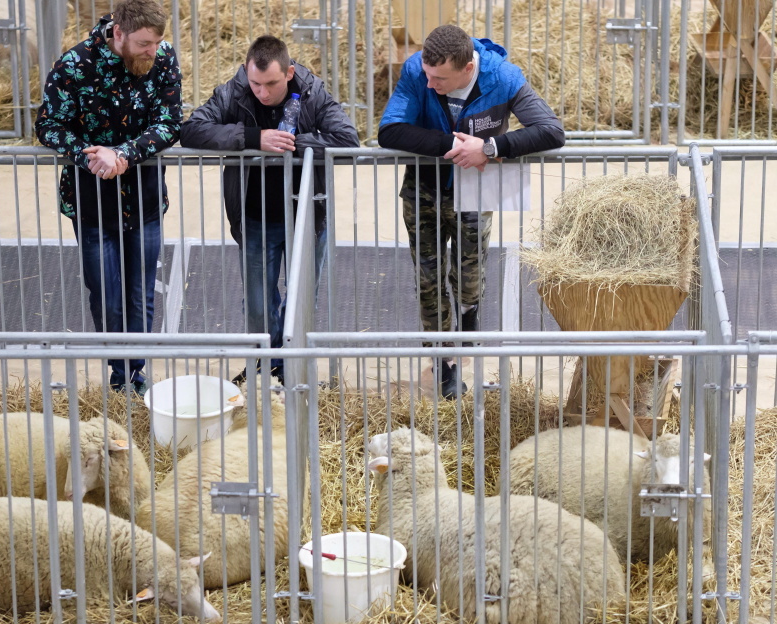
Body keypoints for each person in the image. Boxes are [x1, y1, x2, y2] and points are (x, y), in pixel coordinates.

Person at [378, 24, 564, 398]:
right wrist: (455, 145)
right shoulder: (417, 70)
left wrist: (491, 148)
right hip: (424, 190)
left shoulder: (504, 77)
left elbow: (551, 131)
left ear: (467, 68)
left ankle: (468, 312)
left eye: (440, 78)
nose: (431, 85)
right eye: (428, 76)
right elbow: (390, 130)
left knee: (469, 272)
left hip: (478, 191)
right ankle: (445, 361)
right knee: (428, 279)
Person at [179, 35, 359, 386]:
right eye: (256, 83)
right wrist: (253, 138)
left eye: (272, 84)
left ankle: (293, 369)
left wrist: (292, 142)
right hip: (255, 216)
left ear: (290, 72)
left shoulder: (311, 91)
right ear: (247, 72)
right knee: (259, 304)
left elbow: (348, 139)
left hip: (306, 218)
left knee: (303, 298)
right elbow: (191, 130)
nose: (262, 92)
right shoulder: (233, 91)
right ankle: (267, 366)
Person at [34, 0, 182, 397]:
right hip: (91, 201)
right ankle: (119, 368)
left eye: (157, 42)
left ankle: (135, 371)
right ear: (118, 33)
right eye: (144, 43)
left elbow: (169, 123)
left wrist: (123, 155)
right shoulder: (75, 65)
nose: (153, 50)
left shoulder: (163, 57)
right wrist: (87, 153)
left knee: (140, 291)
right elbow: (47, 124)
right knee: (104, 291)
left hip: (144, 198)